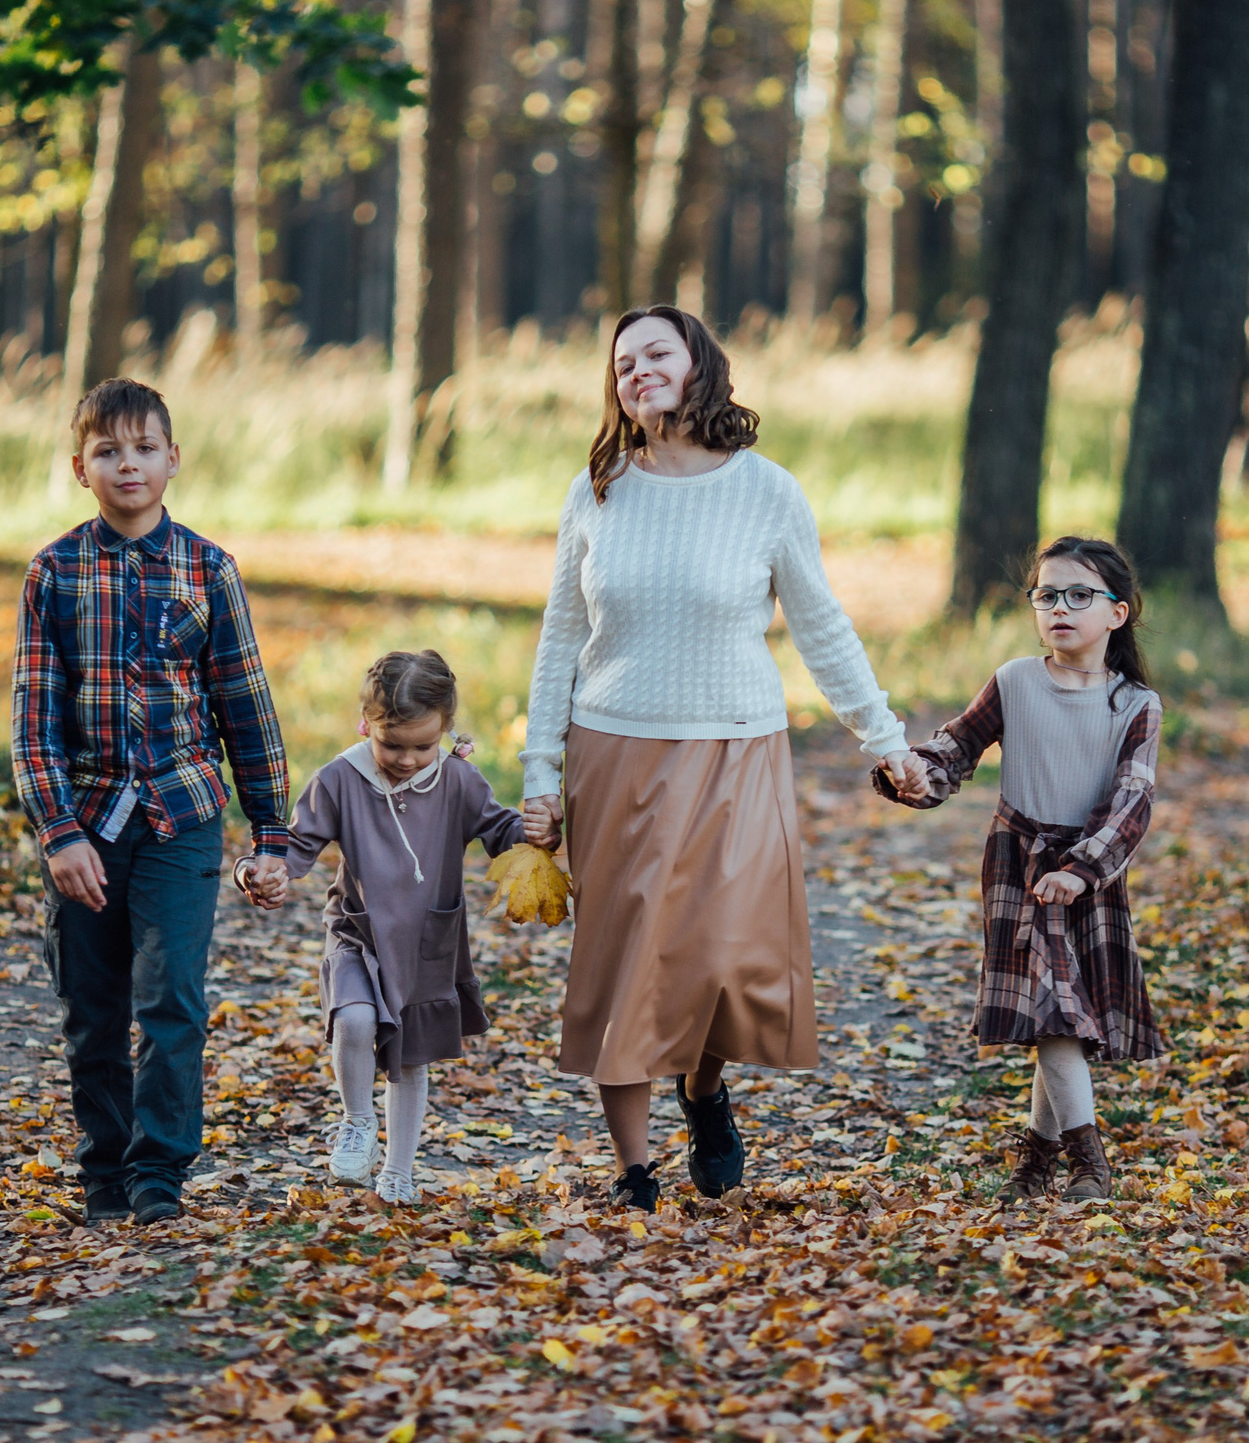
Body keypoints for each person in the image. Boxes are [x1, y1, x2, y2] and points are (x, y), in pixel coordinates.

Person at [518, 305, 930, 1213]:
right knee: (623, 961)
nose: (637, 371)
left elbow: (820, 624)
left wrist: (886, 739)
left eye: (655, 352)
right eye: (622, 362)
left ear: (700, 362)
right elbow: (561, 640)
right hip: (614, 753)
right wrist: (539, 773)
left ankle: (703, 1093)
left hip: (738, 750)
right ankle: (633, 1170)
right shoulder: (598, 489)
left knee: (716, 957)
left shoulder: (766, 490)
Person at [12, 378, 292, 1228]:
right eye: (107, 450)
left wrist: (270, 832)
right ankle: (105, 1169)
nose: (126, 464)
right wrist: (58, 832)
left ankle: (158, 1174)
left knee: (171, 996)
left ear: (174, 458)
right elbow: (33, 721)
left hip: (182, 815)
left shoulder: (209, 570)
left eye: (143, 448)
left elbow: (245, 703)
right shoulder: (53, 574)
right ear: (79, 467)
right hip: (88, 823)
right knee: (91, 1009)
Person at [874, 535, 1166, 1203]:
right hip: (1018, 867)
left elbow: (1133, 801)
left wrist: (1083, 867)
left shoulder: (1136, 705)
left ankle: (1035, 1161)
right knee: (1055, 1013)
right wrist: (916, 774)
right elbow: (956, 746)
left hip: (1086, 875)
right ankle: (1090, 1162)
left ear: (1117, 612)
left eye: (1078, 595)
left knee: (1056, 1015)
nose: (1059, 607)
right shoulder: (1015, 680)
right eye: (1046, 594)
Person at [241, 651, 524, 1204]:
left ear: (445, 729)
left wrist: (537, 829)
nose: (409, 759)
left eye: (425, 746)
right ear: (365, 723)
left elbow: (500, 829)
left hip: (424, 947)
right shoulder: (341, 779)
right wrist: (258, 871)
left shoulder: (458, 779)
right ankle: (356, 1122)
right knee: (352, 1020)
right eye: (393, 745)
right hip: (358, 932)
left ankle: (398, 1172)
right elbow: (291, 848)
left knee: (409, 1061)